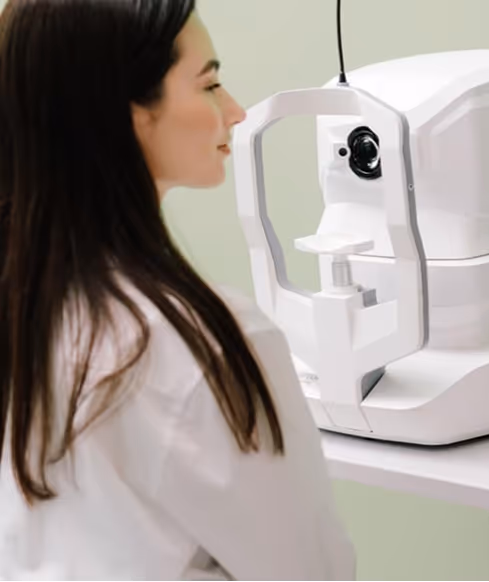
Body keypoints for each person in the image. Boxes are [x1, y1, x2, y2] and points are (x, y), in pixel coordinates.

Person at [0, 0, 355, 579]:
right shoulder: (200, 344)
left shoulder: (28, 311)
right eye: (209, 84)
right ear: (127, 111)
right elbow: (309, 571)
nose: (235, 111)